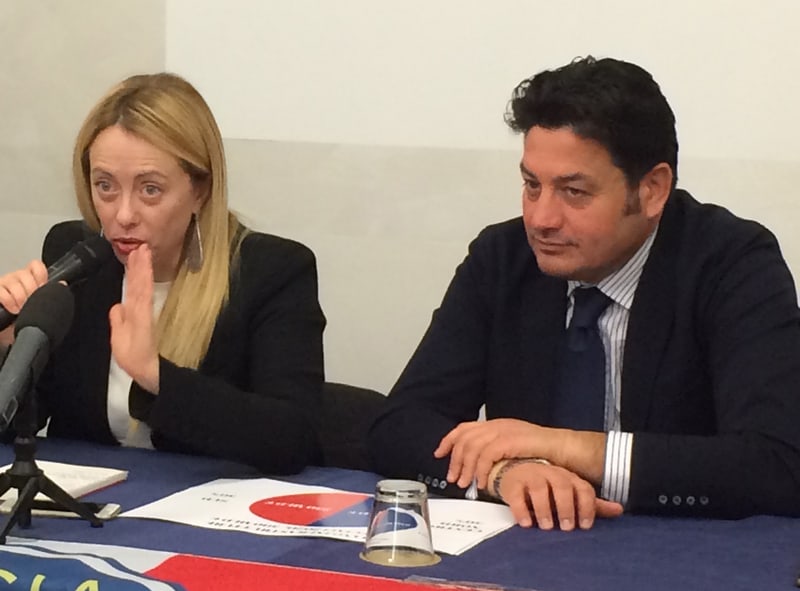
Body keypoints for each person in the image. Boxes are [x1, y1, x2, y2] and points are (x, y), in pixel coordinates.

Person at [368, 56, 800, 531]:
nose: (541, 219)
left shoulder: (730, 263)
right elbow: (399, 426)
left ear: (652, 190)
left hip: (679, 550)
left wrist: (566, 447)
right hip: (528, 548)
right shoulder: (504, 258)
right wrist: (505, 471)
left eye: (573, 192)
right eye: (531, 185)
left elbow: (776, 463)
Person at [0, 73, 325, 474]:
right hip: (89, 505)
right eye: (105, 186)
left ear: (200, 190)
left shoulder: (271, 271)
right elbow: (18, 427)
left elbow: (293, 438)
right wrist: (11, 350)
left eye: (150, 189)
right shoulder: (75, 256)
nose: (123, 215)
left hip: (206, 506)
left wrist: (153, 374)